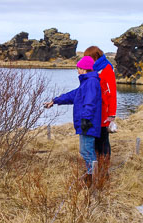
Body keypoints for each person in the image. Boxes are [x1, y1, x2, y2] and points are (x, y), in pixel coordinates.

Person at [45, 56, 102, 184]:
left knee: (86, 150)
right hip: (86, 122)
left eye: (78, 68)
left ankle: (94, 178)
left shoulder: (91, 82)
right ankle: (92, 175)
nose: (77, 71)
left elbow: (90, 102)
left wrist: (86, 120)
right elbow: (73, 95)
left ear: (84, 69)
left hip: (88, 123)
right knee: (85, 150)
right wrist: (55, 101)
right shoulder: (87, 82)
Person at [83, 46, 117, 175]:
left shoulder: (106, 68)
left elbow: (112, 93)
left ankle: (104, 169)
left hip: (104, 112)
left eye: (88, 57)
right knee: (95, 139)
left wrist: (112, 114)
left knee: (103, 139)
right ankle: (96, 167)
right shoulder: (94, 69)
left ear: (94, 57)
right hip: (95, 111)